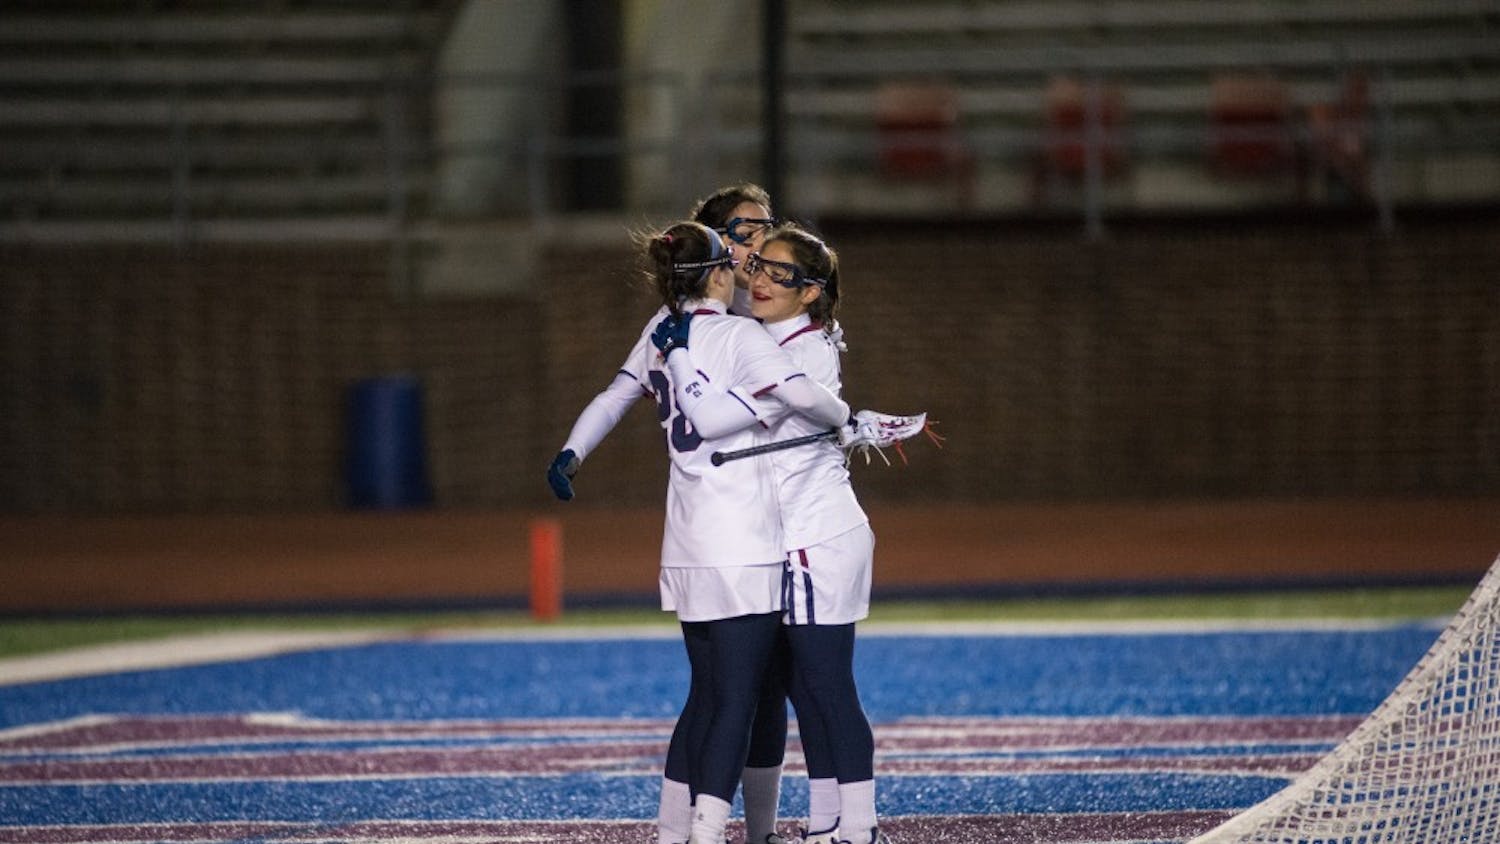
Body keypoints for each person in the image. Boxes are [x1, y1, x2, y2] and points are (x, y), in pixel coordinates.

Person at [552, 219, 853, 844]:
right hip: (745, 543)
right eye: (739, 251)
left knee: (708, 698)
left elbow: (614, 397)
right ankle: (713, 831)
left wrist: (571, 452)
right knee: (742, 702)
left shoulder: (658, 330)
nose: (750, 264)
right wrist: (844, 417)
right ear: (719, 273)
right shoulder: (743, 335)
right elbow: (781, 403)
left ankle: (674, 830)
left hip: (684, 541)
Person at [655, 225, 894, 844]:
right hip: (791, 538)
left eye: (781, 274)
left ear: (810, 292)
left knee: (826, 687)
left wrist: (678, 354)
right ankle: (827, 822)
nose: (759, 280)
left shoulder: (798, 351)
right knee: (803, 688)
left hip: (815, 534)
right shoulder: (767, 336)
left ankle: (859, 825)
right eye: (758, 265)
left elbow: (713, 417)